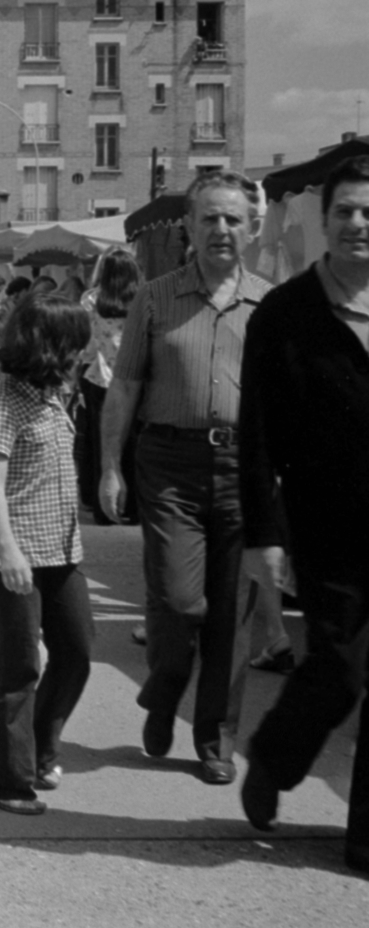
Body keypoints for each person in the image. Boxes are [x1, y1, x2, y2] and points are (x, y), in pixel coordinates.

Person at [99, 170, 272, 786]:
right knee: (178, 600)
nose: (221, 229)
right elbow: (124, 387)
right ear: (188, 230)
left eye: (233, 219)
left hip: (245, 470)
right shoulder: (155, 298)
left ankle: (214, 737)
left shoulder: (271, 306)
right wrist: (111, 468)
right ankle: (164, 689)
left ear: (251, 230)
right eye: (209, 219)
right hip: (169, 464)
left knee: (233, 613)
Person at [237, 155, 369, 873]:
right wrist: (264, 536)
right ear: (325, 221)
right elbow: (256, 436)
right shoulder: (286, 316)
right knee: (340, 671)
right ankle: (274, 754)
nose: (357, 223)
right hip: (327, 526)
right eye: (346, 210)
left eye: (368, 212)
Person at [0, 294, 94, 815]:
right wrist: (7, 550)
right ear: (50, 345)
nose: (80, 355)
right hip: (16, 551)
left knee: (77, 651)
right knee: (20, 664)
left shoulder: (51, 394)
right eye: (73, 344)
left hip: (61, 548)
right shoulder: (4, 400)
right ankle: (6, 780)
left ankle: (41, 748)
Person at [76, 249, 141, 523]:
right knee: (135, 441)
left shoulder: (91, 299)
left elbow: (87, 344)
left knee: (100, 441)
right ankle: (134, 507)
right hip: (136, 378)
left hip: (100, 376)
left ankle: (102, 506)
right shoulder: (143, 297)